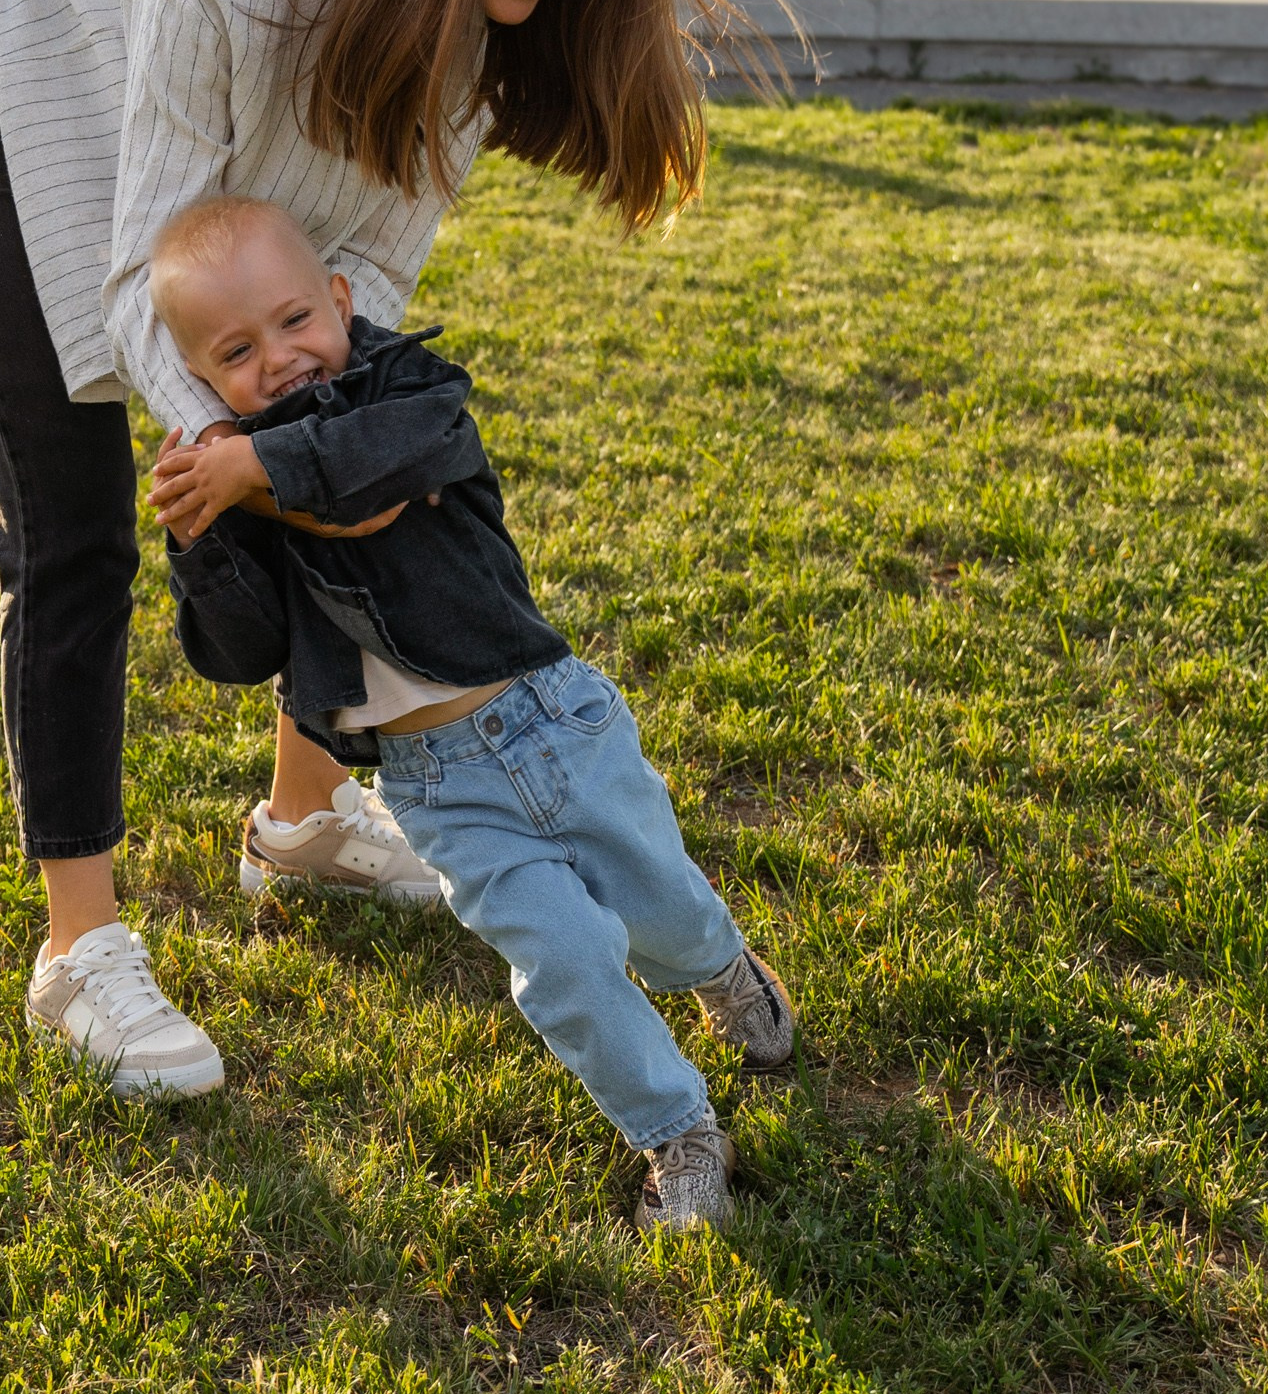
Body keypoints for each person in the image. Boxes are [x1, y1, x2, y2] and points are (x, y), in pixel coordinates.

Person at [0, 0, 721, 1103]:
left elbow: (363, 308)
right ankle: (78, 955)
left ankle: (301, 820)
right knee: (82, 526)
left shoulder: (484, 18)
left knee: (320, 435)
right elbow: (131, 281)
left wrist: (319, 460)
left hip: (212, 116)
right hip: (17, 98)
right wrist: (228, 465)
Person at [145, 194, 791, 1234]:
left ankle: (718, 965)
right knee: (566, 960)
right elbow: (246, 650)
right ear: (203, 379)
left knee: (660, 909)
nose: (280, 358)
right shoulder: (237, 483)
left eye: (296, 320)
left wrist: (253, 467)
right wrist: (201, 540)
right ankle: (676, 1131)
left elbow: (382, 468)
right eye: (237, 350)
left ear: (342, 302)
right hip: (437, 789)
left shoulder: (410, 388)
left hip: (553, 723)